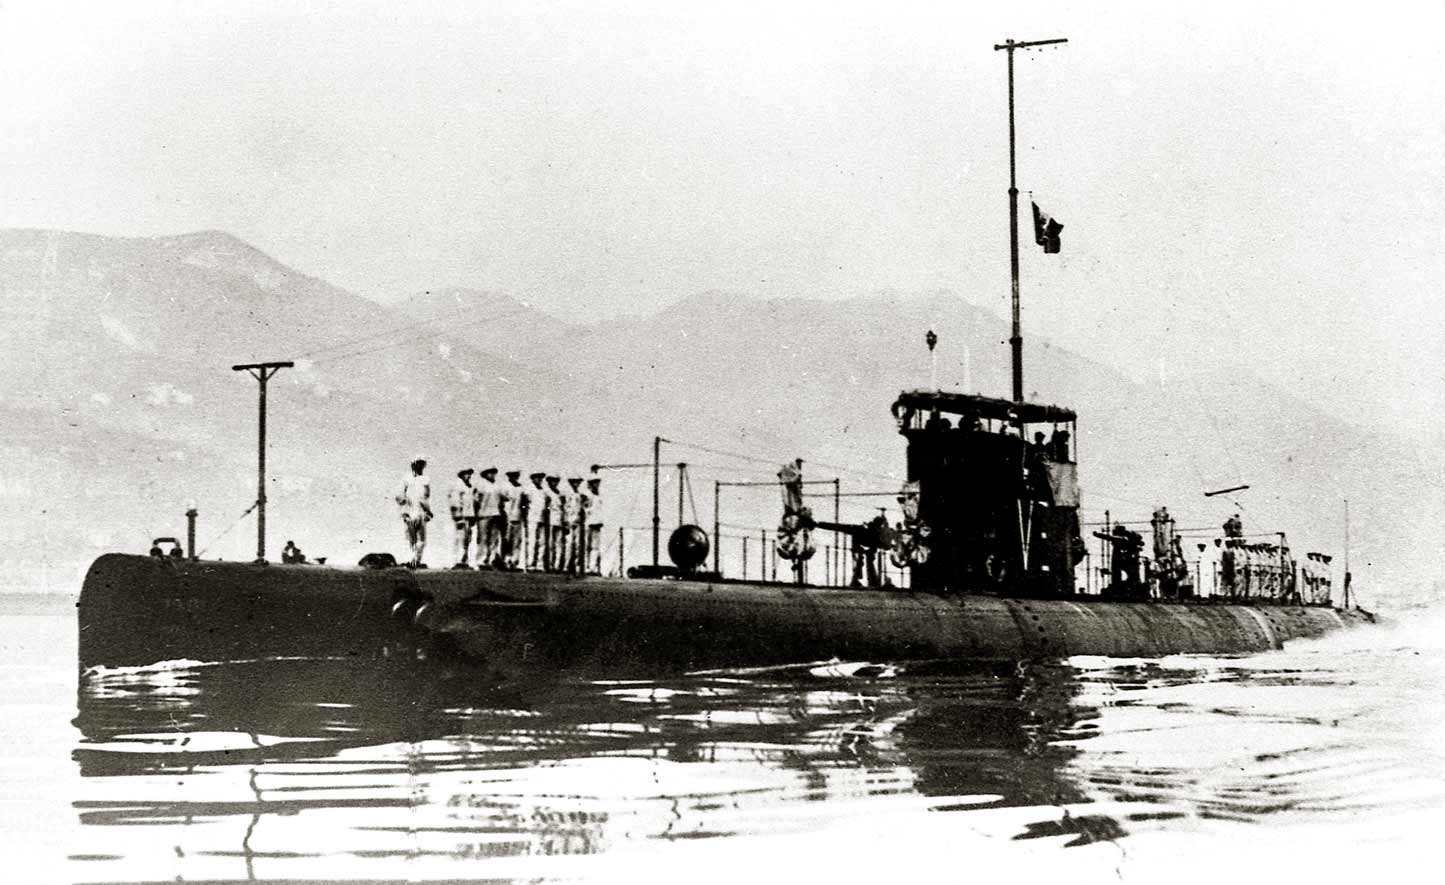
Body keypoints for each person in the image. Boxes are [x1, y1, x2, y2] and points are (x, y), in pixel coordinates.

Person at [395, 457, 432, 567]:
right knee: (410, 538)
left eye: (422, 464)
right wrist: (404, 509)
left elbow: (426, 497)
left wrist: (428, 511)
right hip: (409, 511)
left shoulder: (425, 480)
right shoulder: (406, 479)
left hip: (421, 512)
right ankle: (411, 560)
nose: (420, 466)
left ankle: (416, 560)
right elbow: (399, 495)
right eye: (418, 463)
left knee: (422, 540)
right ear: (413, 464)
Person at [446, 467, 476, 569]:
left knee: (467, 539)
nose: (469, 476)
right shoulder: (458, 486)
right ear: (462, 474)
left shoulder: (469, 486)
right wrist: (458, 516)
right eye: (466, 473)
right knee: (460, 538)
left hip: (468, 516)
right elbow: (455, 502)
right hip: (461, 516)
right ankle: (458, 561)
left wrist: (472, 517)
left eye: (470, 474)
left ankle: (464, 561)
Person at [474, 466, 502, 568]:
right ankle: (481, 560)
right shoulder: (480, 485)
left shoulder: (497, 486)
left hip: (495, 514)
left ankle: (491, 560)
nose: (492, 475)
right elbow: (476, 500)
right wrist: (476, 514)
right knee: (483, 538)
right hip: (483, 514)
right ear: (485, 474)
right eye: (490, 472)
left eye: (494, 472)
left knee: (494, 539)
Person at [501, 470, 525, 569]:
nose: (514, 477)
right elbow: (501, 502)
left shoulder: (521, 488)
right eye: (512, 475)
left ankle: (514, 561)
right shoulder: (505, 487)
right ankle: (505, 560)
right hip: (507, 516)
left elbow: (523, 503)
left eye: (516, 475)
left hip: (518, 517)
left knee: (516, 540)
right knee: (506, 540)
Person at [526, 471, 549, 571]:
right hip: (532, 518)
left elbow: (546, 504)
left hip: (542, 519)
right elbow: (525, 504)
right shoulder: (529, 489)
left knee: (542, 542)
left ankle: (540, 564)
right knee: (532, 541)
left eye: (540, 477)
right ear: (532, 478)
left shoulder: (544, 491)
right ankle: (530, 563)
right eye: (537, 477)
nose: (539, 479)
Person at [563, 477, 585, 573]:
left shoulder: (579, 495)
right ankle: (566, 565)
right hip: (570, 521)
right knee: (569, 545)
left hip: (577, 521)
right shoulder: (567, 494)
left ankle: (576, 566)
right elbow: (565, 508)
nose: (576, 484)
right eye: (574, 482)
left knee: (577, 546)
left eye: (578, 482)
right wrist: (566, 522)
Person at [544, 475, 565, 571]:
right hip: (550, 521)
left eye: (556, 481)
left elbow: (562, 508)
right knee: (550, 543)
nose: (554, 483)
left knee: (558, 543)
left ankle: (557, 564)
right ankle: (549, 564)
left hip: (559, 520)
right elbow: (546, 507)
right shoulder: (547, 493)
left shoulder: (560, 494)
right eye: (552, 481)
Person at [586, 475, 604, 575]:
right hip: (588, 523)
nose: (596, 485)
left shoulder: (599, 495)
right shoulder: (587, 495)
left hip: (597, 523)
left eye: (597, 482)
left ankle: (592, 567)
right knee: (586, 546)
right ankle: (585, 567)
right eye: (594, 482)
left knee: (595, 547)